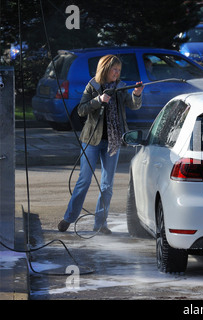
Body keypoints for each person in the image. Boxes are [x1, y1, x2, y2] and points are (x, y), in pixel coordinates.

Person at [58, 54, 144, 234]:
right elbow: (81, 110)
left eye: (119, 70)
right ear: (105, 69)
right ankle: (69, 218)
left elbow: (133, 105)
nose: (117, 73)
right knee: (85, 180)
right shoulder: (93, 85)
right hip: (91, 140)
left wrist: (136, 94)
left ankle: (100, 224)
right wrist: (98, 101)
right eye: (114, 69)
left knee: (107, 185)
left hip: (112, 141)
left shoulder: (121, 87)